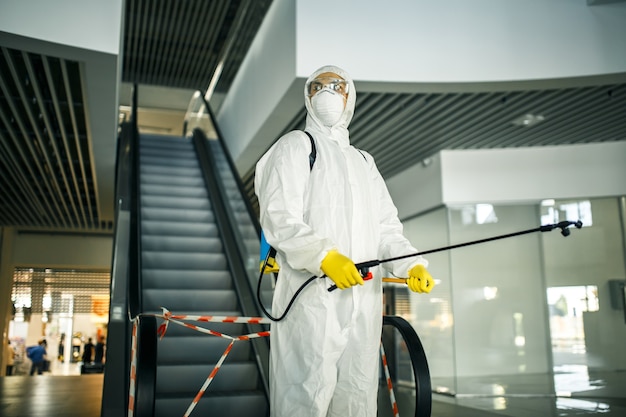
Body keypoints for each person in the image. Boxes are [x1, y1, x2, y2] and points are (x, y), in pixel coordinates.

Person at [254, 65, 435, 417]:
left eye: (336, 86)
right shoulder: (296, 146)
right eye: (318, 86)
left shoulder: (363, 161)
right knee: (303, 395)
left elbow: (386, 228)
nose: (327, 93)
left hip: (364, 301)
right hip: (311, 299)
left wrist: (411, 262)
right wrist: (324, 256)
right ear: (307, 96)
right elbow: (279, 218)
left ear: (349, 95)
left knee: (358, 396)